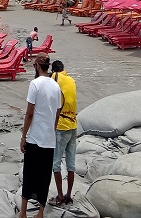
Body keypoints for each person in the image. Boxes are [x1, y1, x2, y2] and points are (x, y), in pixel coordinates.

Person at [19, 54, 62, 218]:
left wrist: (23, 137)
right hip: (49, 140)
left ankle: (23, 212)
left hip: (34, 139)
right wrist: (52, 130)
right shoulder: (56, 87)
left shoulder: (34, 84)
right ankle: (40, 212)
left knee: (29, 174)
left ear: (37, 66)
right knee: (44, 176)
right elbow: (57, 114)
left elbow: (29, 114)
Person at [49, 60, 78, 207]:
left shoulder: (55, 77)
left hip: (62, 127)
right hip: (73, 125)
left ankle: (60, 196)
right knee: (71, 164)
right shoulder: (71, 79)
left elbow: (55, 104)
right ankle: (69, 195)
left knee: (56, 164)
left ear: (54, 70)